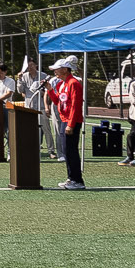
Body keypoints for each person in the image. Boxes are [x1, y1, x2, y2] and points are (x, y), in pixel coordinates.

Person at [46, 57, 86, 190]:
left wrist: (71, 124)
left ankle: (77, 180)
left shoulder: (73, 83)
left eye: (57, 69)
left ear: (64, 69)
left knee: (71, 150)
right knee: (66, 150)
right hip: (65, 119)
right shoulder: (62, 84)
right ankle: (71, 178)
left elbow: (75, 105)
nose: (55, 72)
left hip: (71, 121)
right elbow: (58, 101)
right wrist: (50, 89)